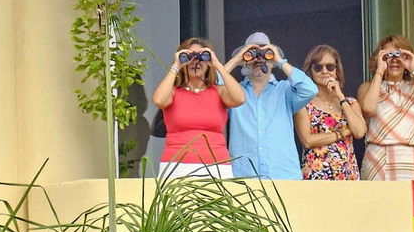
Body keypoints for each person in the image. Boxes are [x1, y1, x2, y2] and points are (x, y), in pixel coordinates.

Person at [149, 37, 245, 179]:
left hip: (216, 165)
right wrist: (176, 66)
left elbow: (240, 98)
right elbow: (158, 100)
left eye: (202, 56)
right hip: (177, 165)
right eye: (190, 56)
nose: (196, 61)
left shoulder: (218, 91)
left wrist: (217, 65)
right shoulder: (173, 92)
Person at [226, 31, 317, 180]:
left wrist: (280, 61)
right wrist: (236, 60)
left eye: (265, 54)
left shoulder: (285, 91)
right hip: (245, 177)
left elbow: (310, 89)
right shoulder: (234, 93)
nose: (259, 59)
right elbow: (212, 88)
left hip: (283, 176)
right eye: (252, 54)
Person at [359, 35, 414, 181]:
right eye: (388, 55)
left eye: (400, 54)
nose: (395, 59)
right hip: (380, 156)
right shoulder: (368, 87)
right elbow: (368, 108)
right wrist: (380, 70)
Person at [295, 45, 366, 180]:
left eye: (330, 67)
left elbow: (359, 132)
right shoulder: (304, 103)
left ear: (337, 70)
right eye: (318, 67)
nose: (324, 71)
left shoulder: (350, 102)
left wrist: (340, 96)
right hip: (316, 175)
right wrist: (342, 133)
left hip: (347, 175)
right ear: (310, 71)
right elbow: (307, 140)